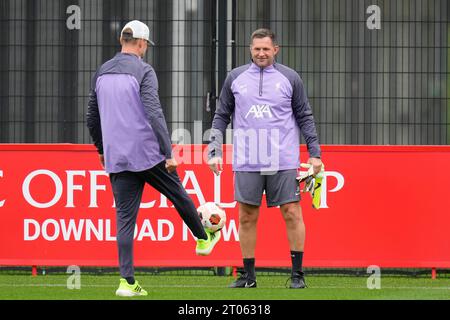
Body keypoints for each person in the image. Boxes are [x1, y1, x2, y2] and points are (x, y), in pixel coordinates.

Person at [86, 20, 220, 297]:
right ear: (141, 43)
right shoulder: (144, 70)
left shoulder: (101, 72)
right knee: (178, 193)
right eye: (146, 44)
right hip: (147, 153)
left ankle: (126, 282)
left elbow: (91, 116)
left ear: (122, 40)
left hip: (117, 156)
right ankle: (203, 238)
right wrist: (168, 153)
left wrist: (101, 148)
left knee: (124, 221)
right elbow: (154, 113)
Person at [208, 28, 322, 289]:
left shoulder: (290, 78)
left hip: (283, 159)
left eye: (266, 49)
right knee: (246, 216)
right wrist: (214, 149)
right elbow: (221, 115)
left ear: (275, 50)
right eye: (257, 48)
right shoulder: (235, 78)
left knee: (292, 213)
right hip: (247, 159)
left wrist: (314, 152)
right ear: (251, 49)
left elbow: (305, 116)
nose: (261, 53)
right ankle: (248, 277)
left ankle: (297, 275)